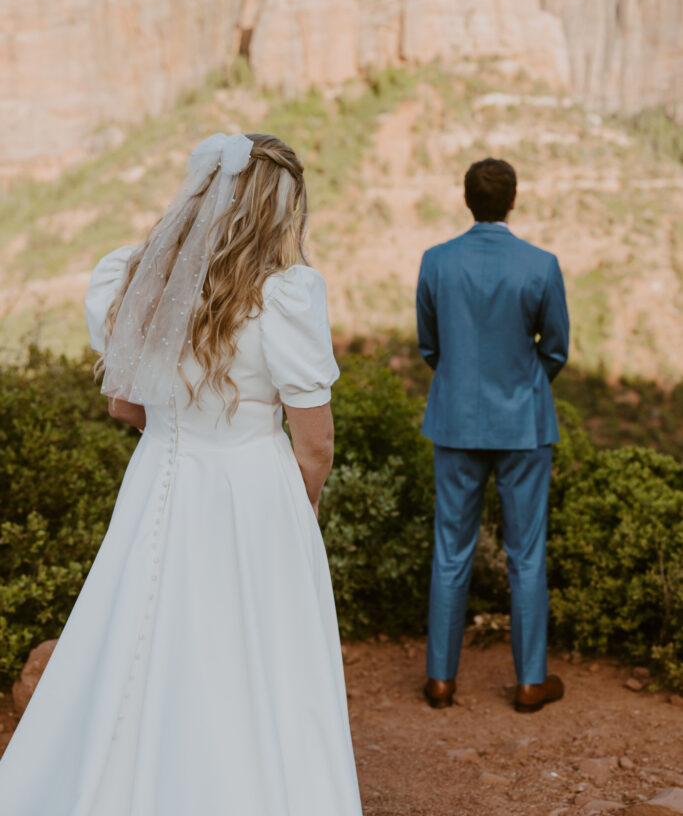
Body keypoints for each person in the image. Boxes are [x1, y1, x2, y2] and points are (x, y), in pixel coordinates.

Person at [0, 132, 363, 815]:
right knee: (253, 651)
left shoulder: (135, 280)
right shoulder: (283, 295)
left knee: (141, 637)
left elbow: (123, 405)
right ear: (280, 213)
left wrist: (181, 430)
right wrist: (297, 509)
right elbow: (313, 442)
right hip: (253, 490)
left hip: (156, 485)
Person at [416, 157, 569, 714]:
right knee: (526, 554)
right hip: (524, 423)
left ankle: (440, 679)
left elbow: (429, 345)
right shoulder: (541, 265)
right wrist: (523, 386)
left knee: (450, 550)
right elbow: (555, 349)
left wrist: (463, 385)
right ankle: (530, 681)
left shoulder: (436, 262)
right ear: (513, 200)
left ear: (466, 199)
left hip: (455, 420)